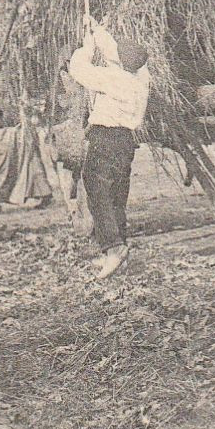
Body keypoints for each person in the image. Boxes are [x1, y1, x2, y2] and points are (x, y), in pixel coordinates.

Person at [67, 14, 150, 278]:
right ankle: (117, 249)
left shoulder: (113, 78)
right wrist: (95, 29)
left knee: (97, 192)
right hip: (126, 141)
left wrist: (86, 48)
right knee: (116, 195)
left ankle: (112, 248)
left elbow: (78, 69)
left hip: (105, 139)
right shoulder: (141, 77)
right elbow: (114, 51)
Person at [0, 95, 54, 211]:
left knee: (32, 163)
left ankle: (45, 195)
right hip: (8, 131)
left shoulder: (26, 87)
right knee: (3, 164)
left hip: (23, 129)